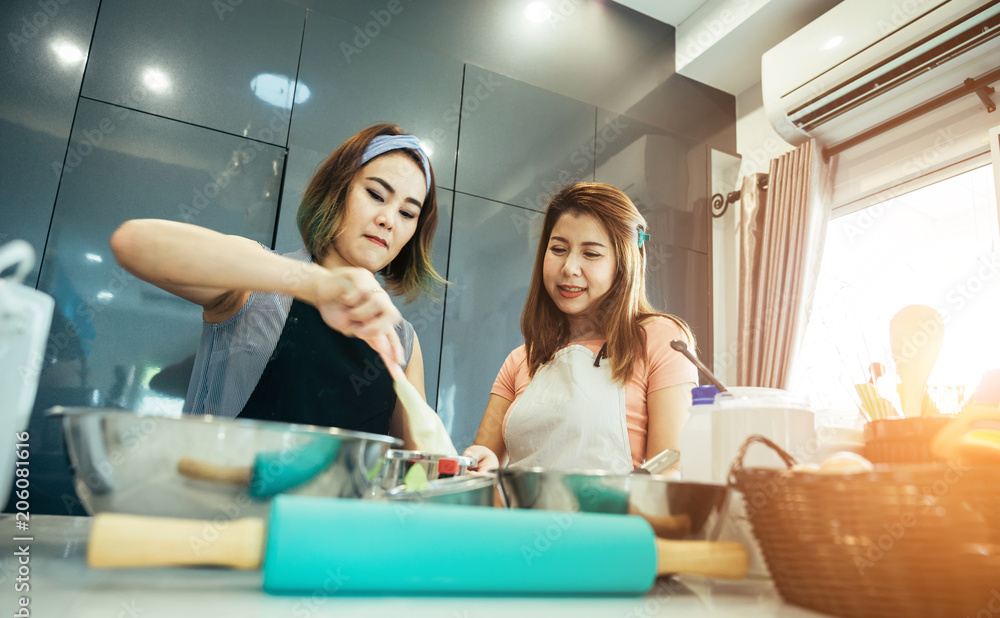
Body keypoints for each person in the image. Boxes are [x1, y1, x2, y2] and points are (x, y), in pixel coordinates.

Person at [110, 123, 444, 444]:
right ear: (337, 190)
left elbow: (423, 464)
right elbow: (133, 244)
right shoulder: (256, 283)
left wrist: (473, 462)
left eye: (408, 213)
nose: (388, 220)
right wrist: (316, 285)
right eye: (375, 194)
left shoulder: (401, 340)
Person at [464, 182, 698, 473]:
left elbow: (668, 471)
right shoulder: (520, 360)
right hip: (519, 517)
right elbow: (483, 462)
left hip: (613, 519)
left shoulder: (661, 339)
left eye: (591, 254)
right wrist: (479, 462)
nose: (569, 268)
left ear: (623, 263)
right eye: (559, 249)